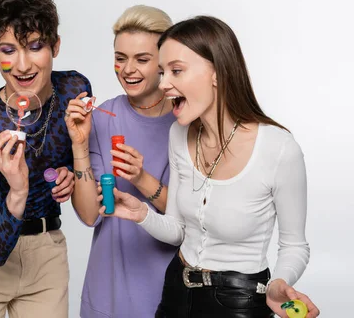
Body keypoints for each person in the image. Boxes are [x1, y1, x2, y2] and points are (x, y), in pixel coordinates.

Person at [99, 16, 320, 318]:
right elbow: (179, 231)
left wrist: (278, 283)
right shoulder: (179, 134)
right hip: (176, 291)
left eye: (176, 70)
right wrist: (141, 214)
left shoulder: (278, 149)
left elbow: (295, 245)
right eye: (162, 72)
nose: (163, 84)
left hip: (239, 302)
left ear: (217, 72)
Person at [0, 0, 91, 318]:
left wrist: (69, 170)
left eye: (35, 47)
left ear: (56, 45)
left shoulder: (74, 89)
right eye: (9, 50)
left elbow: (67, 148)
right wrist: (18, 190)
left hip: (46, 253)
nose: (22, 65)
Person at [64, 5, 178, 318]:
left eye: (142, 59)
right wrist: (80, 144)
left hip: (167, 291)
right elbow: (90, 216)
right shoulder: (101, 118)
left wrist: (142, 178)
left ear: (164, 62)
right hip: (107, 289)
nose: (128, 69)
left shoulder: (186, 121)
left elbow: (193, 217)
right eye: (120, 58)